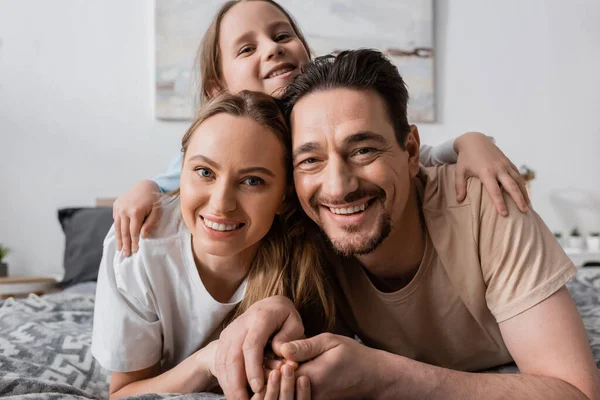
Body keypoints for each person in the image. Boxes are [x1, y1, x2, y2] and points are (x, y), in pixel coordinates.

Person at [213, 49, 600, 400]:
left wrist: (384, 375)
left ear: (411, 151)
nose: (338, 187)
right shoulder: (305, 226)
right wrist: (272, 305)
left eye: (363, 150)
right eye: (310, 160)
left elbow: (574, 392)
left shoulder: (485, 202)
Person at [113, 0, 529, 258]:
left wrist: (469, 142)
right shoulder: (213, 153)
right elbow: (176, 182)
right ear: (218, 88)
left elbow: (399, 155)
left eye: (282, 35)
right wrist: (145, 189)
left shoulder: (322, 123)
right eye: (247, 48)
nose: (272, 47)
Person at [91, 91, 321, 399]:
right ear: (181, 171)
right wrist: (208, 361)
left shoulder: (308, 254)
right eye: (204, 172)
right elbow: (123, 393)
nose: (221, 205)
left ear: (284, 195)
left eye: (252, 181)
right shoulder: (138, 249)